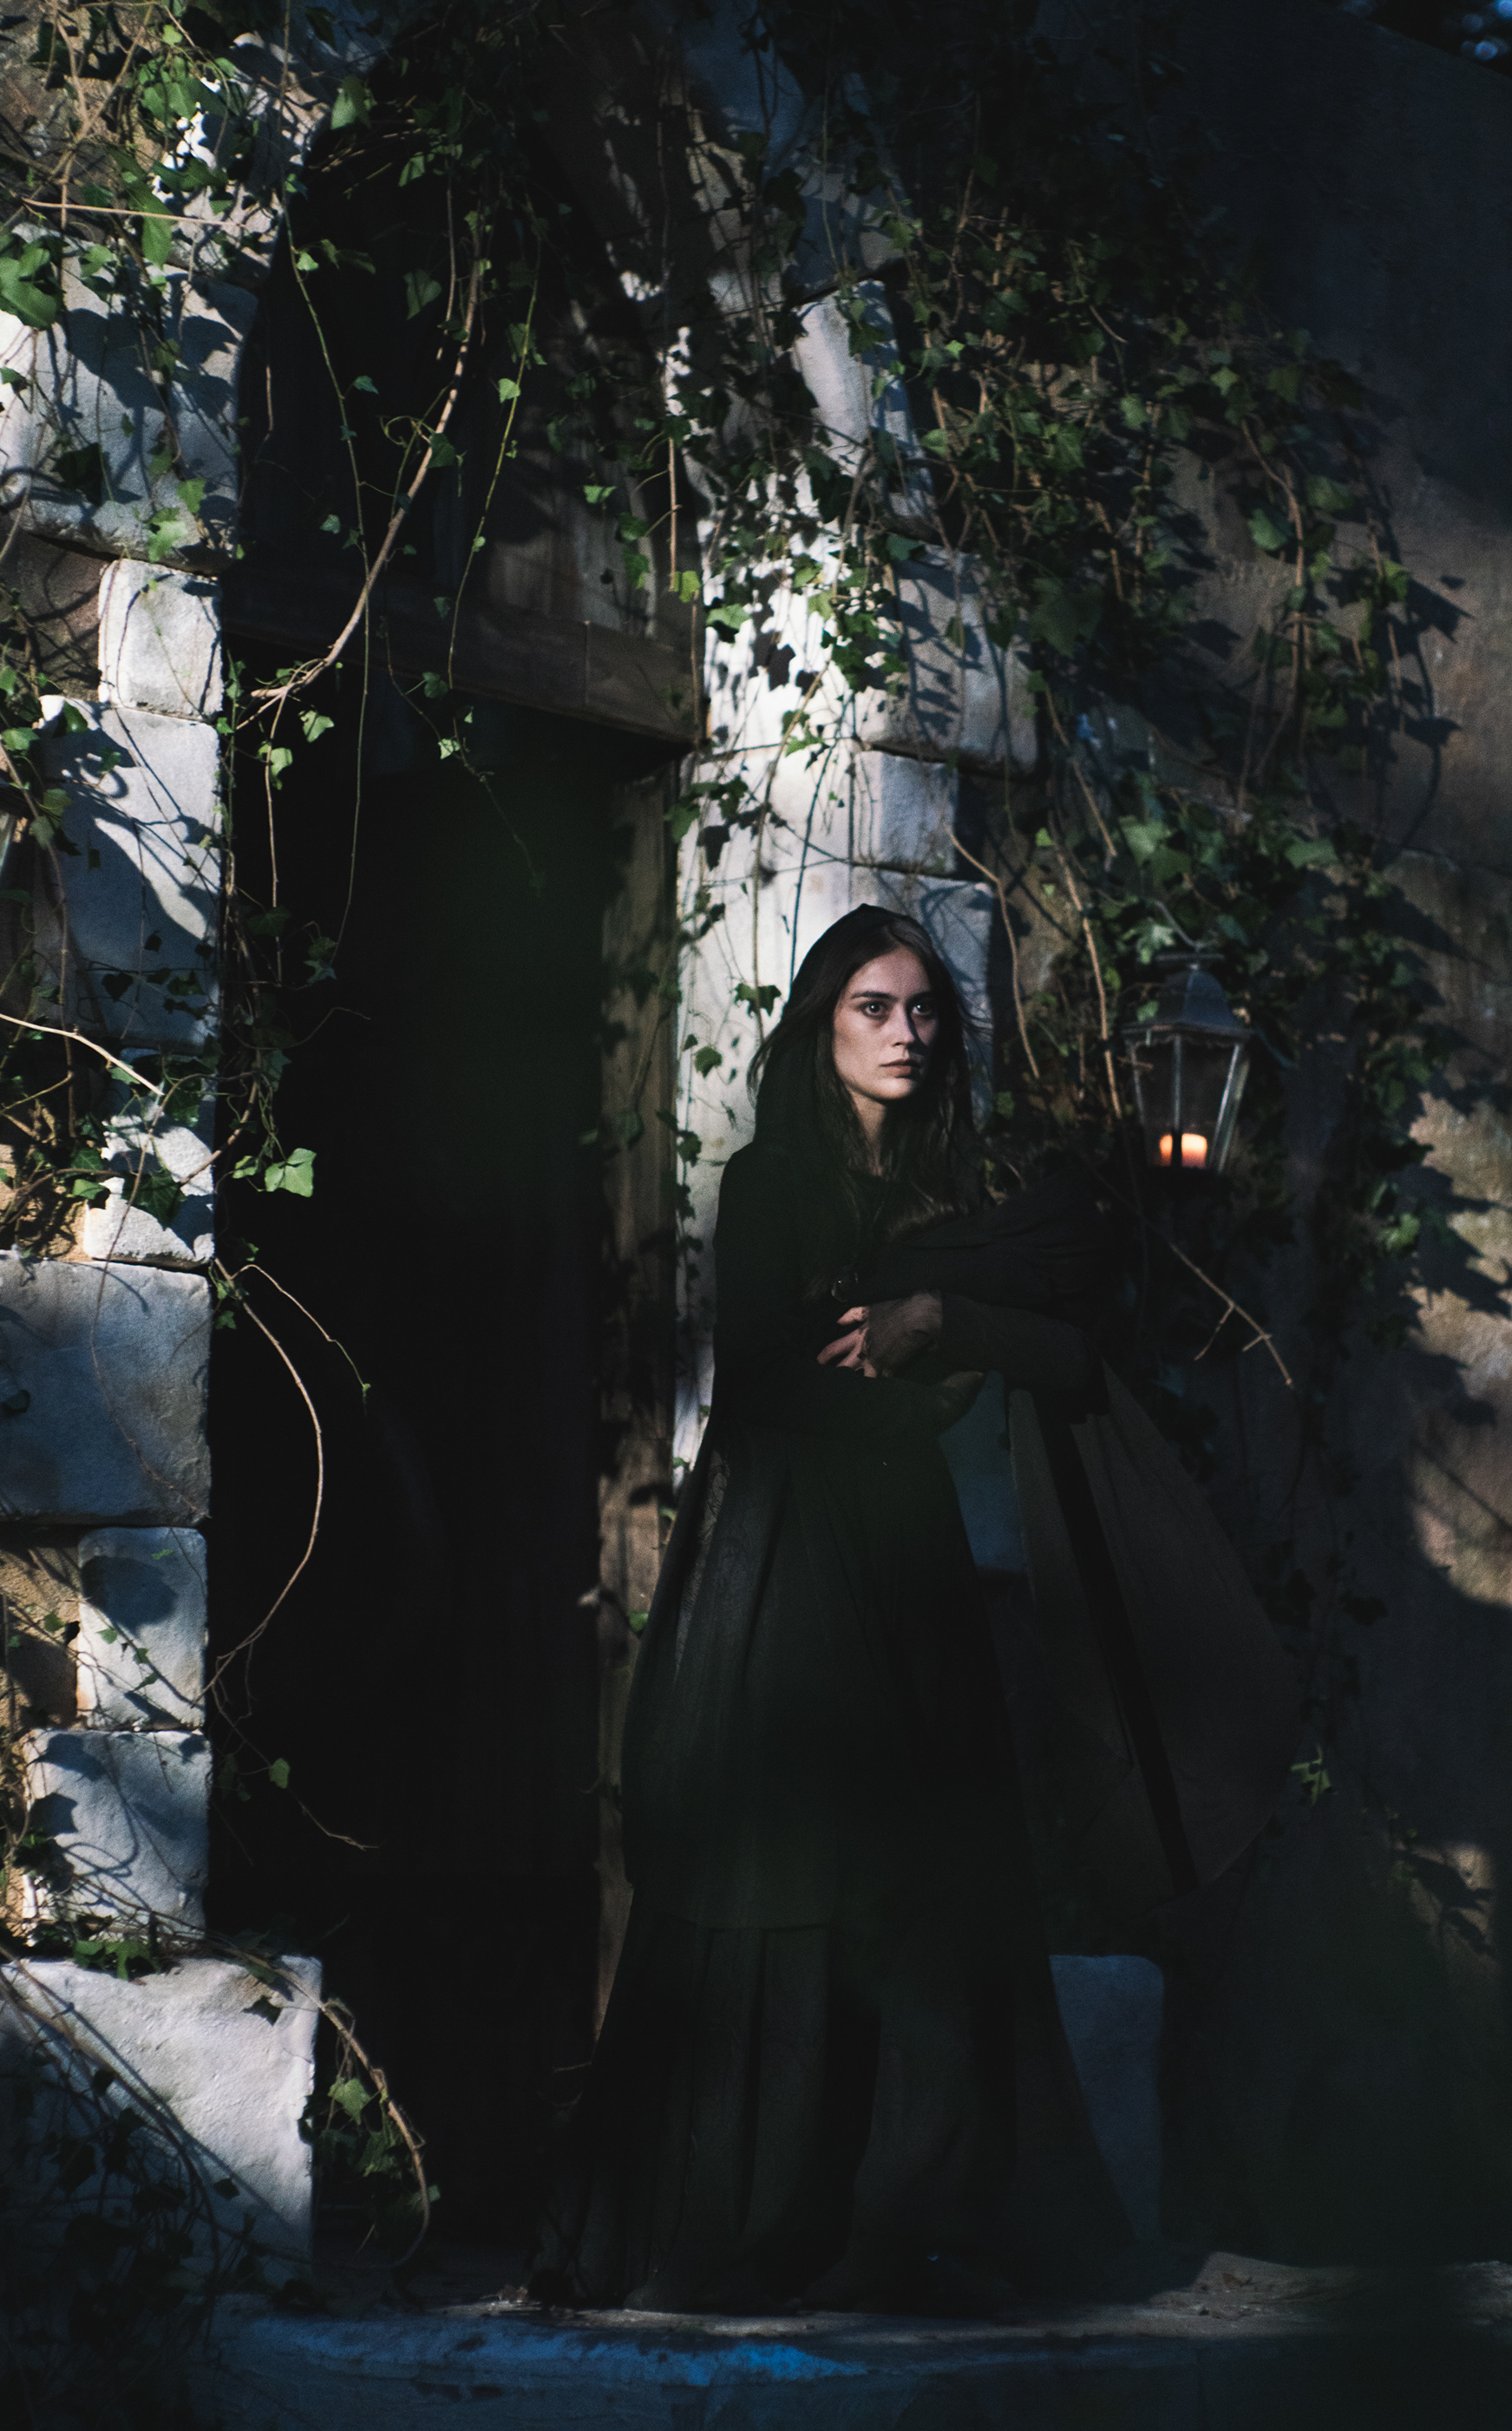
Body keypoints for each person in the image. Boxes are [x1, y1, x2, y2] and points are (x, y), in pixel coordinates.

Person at [533, 904, 1294, 2316]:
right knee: (792, 1864)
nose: (907, 1033)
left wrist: (939, 1327)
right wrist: (926, 1389)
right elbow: (770, 1384)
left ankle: (905, 2218)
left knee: (932, 1873)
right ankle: (755, 2220)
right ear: (823, 1029)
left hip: (912, 1564)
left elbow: (1067, 1338)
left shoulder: (957, 1203)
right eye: (874, 1008)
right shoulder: (772, 1185)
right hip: (786, 1563)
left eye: (925, 1010)